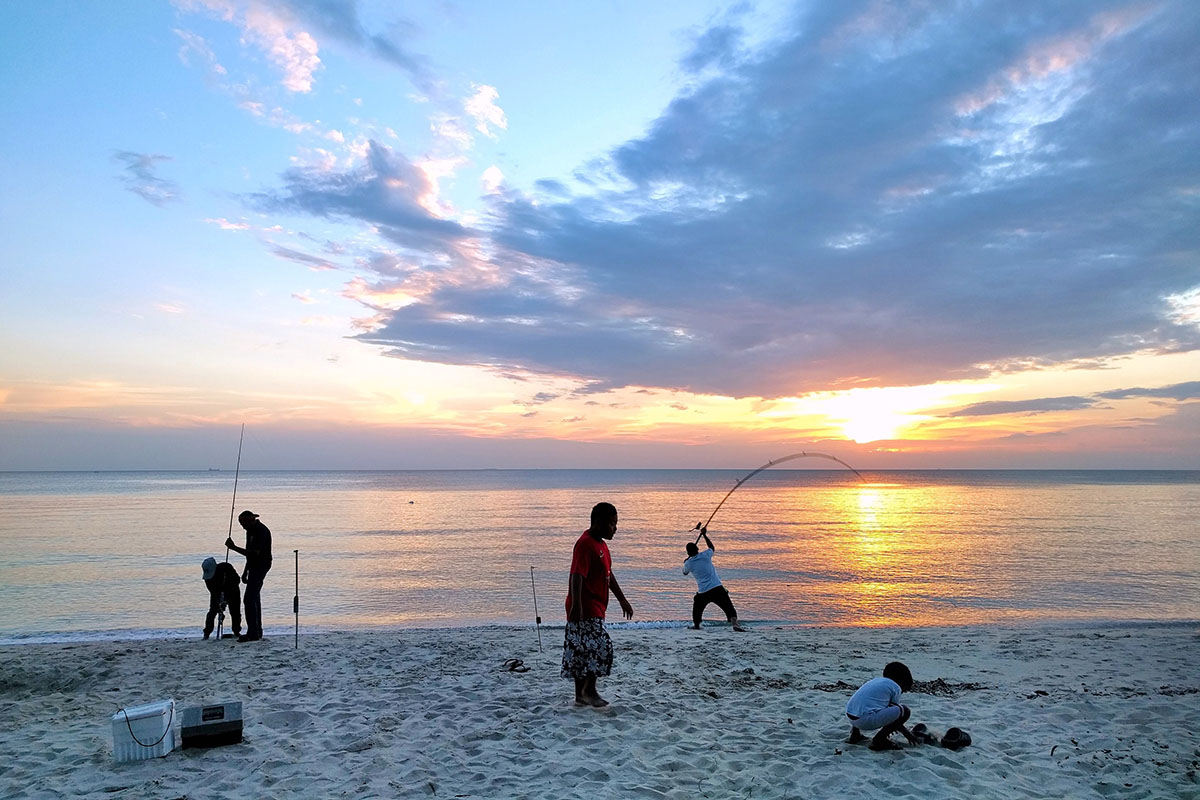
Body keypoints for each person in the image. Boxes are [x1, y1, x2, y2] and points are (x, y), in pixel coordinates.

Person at [561, 502, 634, 708]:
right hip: (585, 607)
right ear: (599, 522)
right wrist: (577, 605)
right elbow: (576, 575)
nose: (615, 529)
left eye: (616, 524)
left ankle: (580, 695)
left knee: (582, 650)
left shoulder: (601, 545)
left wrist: (622, 599)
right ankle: (589, 691)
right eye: (612, 524)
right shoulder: (585, 544)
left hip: (597, 607)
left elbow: (608, 574)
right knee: (600, 647)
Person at [683, 527, 746, 631]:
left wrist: (686, 561)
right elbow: (711, 547)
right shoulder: (706, 555)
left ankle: (697, 625)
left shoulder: (688, 563)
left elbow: (685, 573)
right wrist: (704, 535)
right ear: (698, 549)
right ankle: (735, 624)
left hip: (703, 591)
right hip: (717, 588)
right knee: (729, 607)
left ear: (688, 553)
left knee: (697, 609)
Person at [845, 661, 919, 751]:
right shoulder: (895, 687)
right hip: (865, 721)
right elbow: (897, 716)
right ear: (901, 682)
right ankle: (879, 740)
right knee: (905, 711)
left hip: (851, 718)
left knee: (863, 705)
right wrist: (906, 733)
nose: (902, 692)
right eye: (904, 690)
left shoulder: (876, 681)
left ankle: (855, 734)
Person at [225, 510, 272, 643]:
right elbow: (249, 553)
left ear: (250, 521)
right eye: (241, 525)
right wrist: (246, 571)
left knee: (249, 599)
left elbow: (255, 553)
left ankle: (253, 633)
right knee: (254, 597)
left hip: (262, 565)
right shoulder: (250, 530)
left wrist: (234, 548)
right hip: (253, 566)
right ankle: (257, 630)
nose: (243, 527)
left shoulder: (261, 531)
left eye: (244, 524)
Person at [201, 556, 242, 640]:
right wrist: (220, 605)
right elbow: (213, 592)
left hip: (233, 591)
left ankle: (236, 631)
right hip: (216, 593)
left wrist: (226, 596)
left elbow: (237, 580)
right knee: (213, 611)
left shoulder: (226, 567)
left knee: (235, 612)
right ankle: (206, 633)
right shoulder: (208, 579)